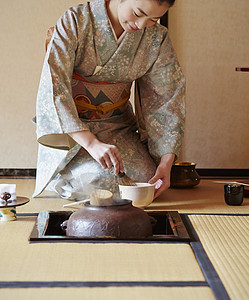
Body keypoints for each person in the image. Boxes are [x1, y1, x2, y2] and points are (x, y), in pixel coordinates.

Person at [33, 0, 185, 200]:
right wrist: (92, 143)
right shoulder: (76, 21)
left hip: (117, 126)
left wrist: (166, 164)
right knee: (100, 180)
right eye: (138, 13)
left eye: (153, 19)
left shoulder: (156, 38)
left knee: (142, 180)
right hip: (74, 132)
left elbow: (166, 100)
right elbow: (55, 87)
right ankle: (63, 176)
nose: (140, 25)